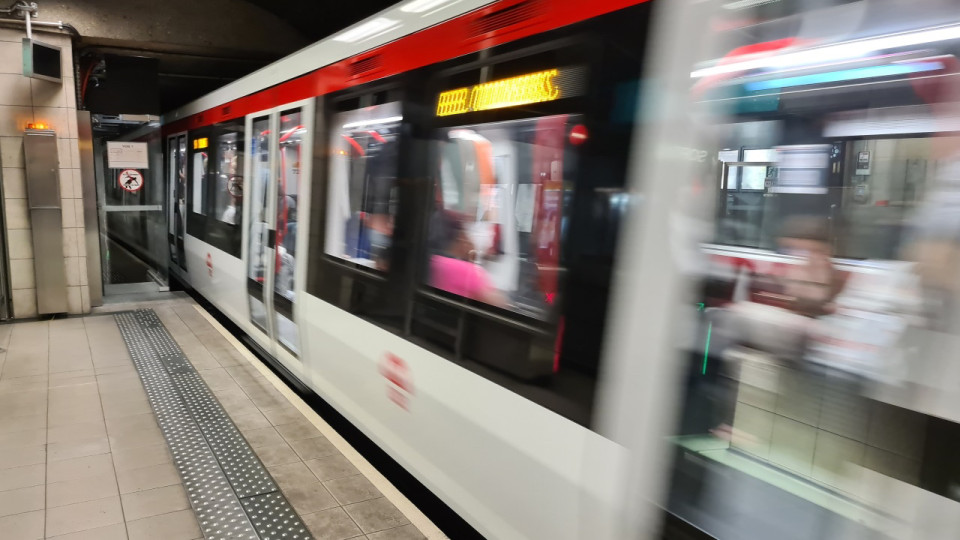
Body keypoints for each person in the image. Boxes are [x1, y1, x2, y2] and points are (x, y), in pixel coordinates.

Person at [429, 211, 508, 307]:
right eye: (467, 234)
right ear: (461, 237)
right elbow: (499, 305)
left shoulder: (431, 261)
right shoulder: (465, 270)